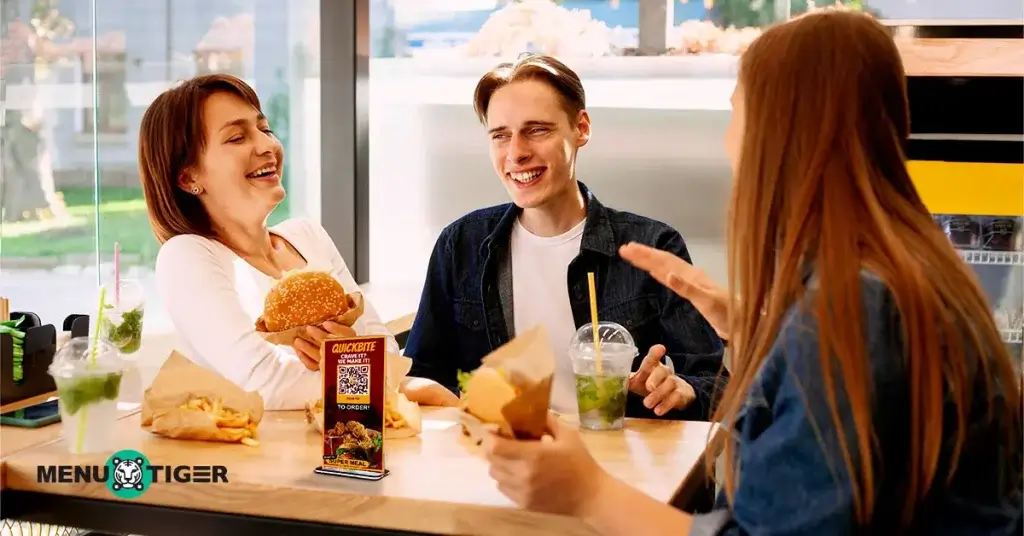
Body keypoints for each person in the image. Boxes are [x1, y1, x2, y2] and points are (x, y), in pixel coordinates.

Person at [480, 10, 1023, 535]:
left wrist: (586, 492)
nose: (728, 140)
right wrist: (761, 326)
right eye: (499, 134)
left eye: (737, 112)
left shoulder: (850, 308)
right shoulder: (902, 266)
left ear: (781, 132)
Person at [404, 54, 727, 421]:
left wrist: (681, 390)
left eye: (537, 130)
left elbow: (715, 385)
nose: (516, 153)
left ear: (581, 128)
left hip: (619, 466)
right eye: (501, 135)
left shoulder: (652, 245)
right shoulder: (460, 245)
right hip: (501, 464)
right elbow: (421, 374)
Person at [139, 74, 458, 411]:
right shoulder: (188, 256)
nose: (266, 146)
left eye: (264, 129)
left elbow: (387, 350)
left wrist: (351, 352)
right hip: (268, 460)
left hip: (351, 445)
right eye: (236, 137)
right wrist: (373, 375)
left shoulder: (307, 236)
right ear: (190, 177)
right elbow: (266, 384)